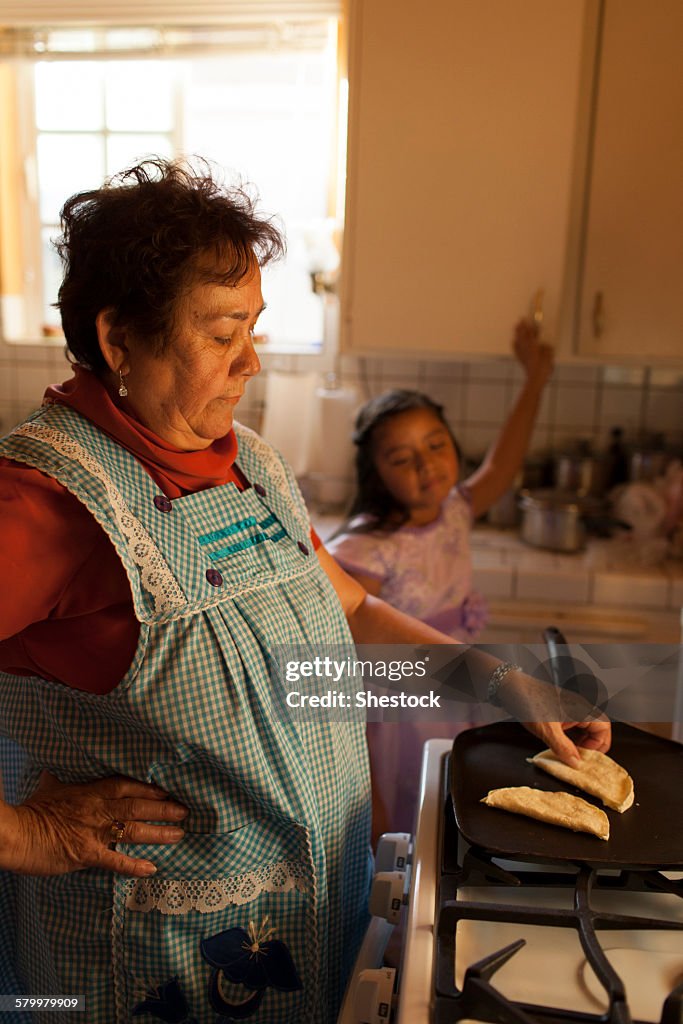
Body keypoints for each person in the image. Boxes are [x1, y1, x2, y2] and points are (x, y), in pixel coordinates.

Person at [0, 158, 609, 1024]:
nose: (250, 359)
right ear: (117, 340)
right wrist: (27, 834)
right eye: (220, 333)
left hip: (307, 928)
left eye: (253, 326)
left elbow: (349, 612)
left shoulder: (249, 463)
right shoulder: (45, 504)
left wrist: (495, 681)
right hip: (149, 969)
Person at [328, 330, 554, 834]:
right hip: (404, 717)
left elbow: (504, 463)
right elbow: (349, 662)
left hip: (458, 692)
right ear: (374, 473)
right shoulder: (365, 550)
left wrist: (536, 379)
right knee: (413, 816)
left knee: (453, 809)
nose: (427, 465)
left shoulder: (455, 509)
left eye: (436, 445)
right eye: (402, 459)